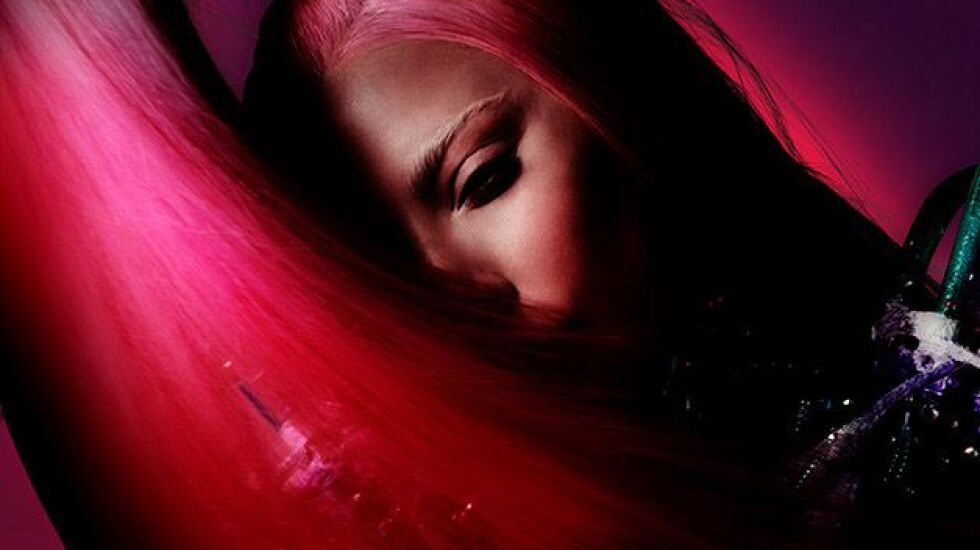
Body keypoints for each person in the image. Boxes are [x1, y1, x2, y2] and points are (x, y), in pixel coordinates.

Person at [0, 0, 970, 547]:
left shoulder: (937, 404)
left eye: (483, 180)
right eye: (380, 266)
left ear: (626, 103)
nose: (452, 294)